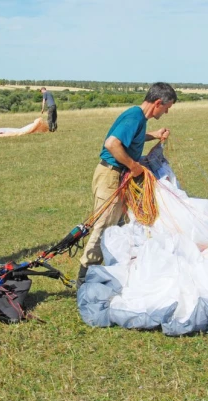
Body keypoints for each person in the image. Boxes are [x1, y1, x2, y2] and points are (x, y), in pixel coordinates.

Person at [77, 82, 177, 288]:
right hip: (110, 175)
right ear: (158, 102)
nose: (166, 112)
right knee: (105, 225)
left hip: (117, 175)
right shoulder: (134, 117)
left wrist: (154, 135)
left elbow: (131, 138)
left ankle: (113, 269)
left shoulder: (138, 118)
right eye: (166, 108)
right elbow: (112, 143)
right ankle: (84, 278)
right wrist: (134, 166)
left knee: (120, 224)